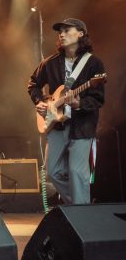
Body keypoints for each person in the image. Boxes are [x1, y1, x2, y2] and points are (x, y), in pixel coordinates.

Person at [28, 18, 105, 205]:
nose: (61, 34)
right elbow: (33, 85)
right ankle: (80, 207)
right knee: (52, 172)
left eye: (66, 30)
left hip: (82, 126)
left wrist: (80, 104)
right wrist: (40, 102)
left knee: (77, 172)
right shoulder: (50, 62)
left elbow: (98, 99)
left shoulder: (93, 63)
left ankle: (81, 217)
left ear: (81, 34)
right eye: (59, 32)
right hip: (56, 124)